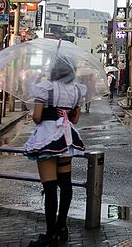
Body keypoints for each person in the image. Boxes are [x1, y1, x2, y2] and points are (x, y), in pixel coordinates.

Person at [23, 58, 86, 246]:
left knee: (50, 187)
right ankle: (62, 227)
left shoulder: (45, 88)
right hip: (66, 137)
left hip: (47, 136)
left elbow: (36, 117)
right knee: (65, 185)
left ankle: (50, 234)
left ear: (54, 70)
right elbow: (75, 120)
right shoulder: (76, 91)